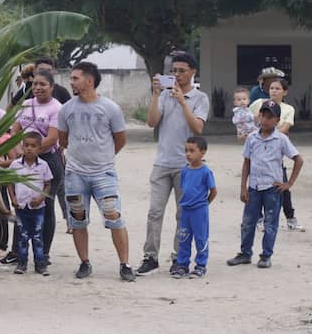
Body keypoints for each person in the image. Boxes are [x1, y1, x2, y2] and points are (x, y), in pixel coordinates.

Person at [59, 61, 135, 282]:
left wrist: (104, 158)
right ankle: (84, 262)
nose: (71, 82)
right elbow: (63, 139)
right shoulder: (67, 109)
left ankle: (125, 264)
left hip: (104, 174)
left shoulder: (110, 108)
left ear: (89, 80)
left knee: (114, 217)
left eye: (75, 78)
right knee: (77, 220)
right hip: (75, 174)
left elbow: (120, 139)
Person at [137, 51, 208, 276]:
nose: (177, 75)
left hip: (186, 165)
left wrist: (182, 101)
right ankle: (151, 257)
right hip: (162, 161)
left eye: (181, 71)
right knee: (154, 212)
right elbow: (151, 122)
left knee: (182, 214)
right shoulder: (166, 96)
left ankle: (180, 257)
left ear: (193, 72)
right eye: (174, 71)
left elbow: (198, 128)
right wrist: (157, 94)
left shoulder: (200, 98)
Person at [227, 100, 303, 269]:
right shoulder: (252, 138)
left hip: (272, 188)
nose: (265, 120)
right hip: (254, 187)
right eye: (263, 115)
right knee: (248, 222)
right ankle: (245, 253)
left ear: (277, 121)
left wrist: (288, 183)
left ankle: (266, 255)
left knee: (270, 222)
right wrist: (243, 187)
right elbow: (246, 162)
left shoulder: (281, 139)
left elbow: (298, 159)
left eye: (270, 117)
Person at [10, 69, 63, 265]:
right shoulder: (25, 104)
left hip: (47, 160)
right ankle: (18, 251)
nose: (38, 88)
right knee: (21, 203)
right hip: (23, 160)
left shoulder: (57, 108)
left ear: (52, 87)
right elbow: (14, 130)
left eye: (43, 84)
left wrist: (32, 152)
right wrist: (19, 152)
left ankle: (44, 253)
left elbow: (51, 138)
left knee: (45, 207)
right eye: (35, 85)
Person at [249, 78, 301, 231]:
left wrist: (266, 131)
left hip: (275, 153)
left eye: (278, 89)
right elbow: (247, 118)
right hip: (257, 151)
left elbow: (284, 128)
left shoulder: (288, 109)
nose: (274, 91)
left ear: (284, 92)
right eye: (271, 88)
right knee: (256, 186)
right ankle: (259, 217)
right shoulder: (259, 104)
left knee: (281, 187)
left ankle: (290, 217)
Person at [8, 132, 53, 276]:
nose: (29, 149)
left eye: (33, 146)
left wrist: (41, 198)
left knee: (38, 237)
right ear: (22, 146)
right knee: (22, 236)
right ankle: (22, 263)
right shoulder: (15, 164)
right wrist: (13, 198)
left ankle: (40, 264)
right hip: (21, 207)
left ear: (39, 148)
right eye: (26, 145)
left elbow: (47, 184)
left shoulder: (43, 165)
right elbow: (9, 182)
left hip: (38, 208)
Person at [171, 136, 216, 279]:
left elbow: (213, 191)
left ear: (202, 152)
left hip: (199, 211)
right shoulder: (184, 170)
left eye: (192, 151)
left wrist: (204, 204)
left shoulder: (205, 171)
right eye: (186, 151)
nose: (188, 154)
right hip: (186, 210)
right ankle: (182, 265)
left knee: (201, 238)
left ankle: (200, 266)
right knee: (183, 238)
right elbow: (184, 188)